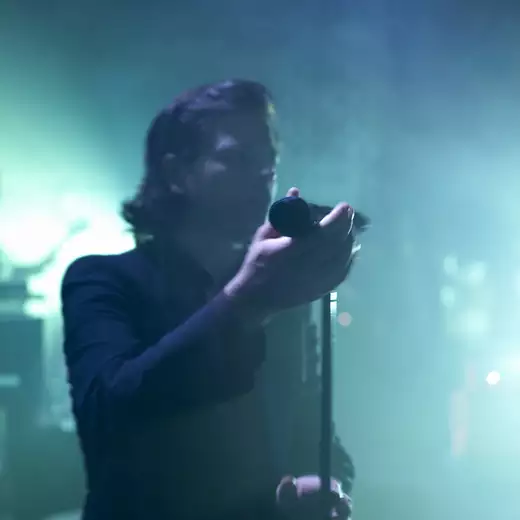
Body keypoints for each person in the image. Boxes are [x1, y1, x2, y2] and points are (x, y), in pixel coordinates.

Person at [61, 79, 357, 520]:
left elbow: (317, 440)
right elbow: (112, 411)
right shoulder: (102, 280)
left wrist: (323, 483)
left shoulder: (281, 300)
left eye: (269, 161)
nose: (263, 175)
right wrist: (248, 301)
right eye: (237, 158)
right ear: (177, 174)